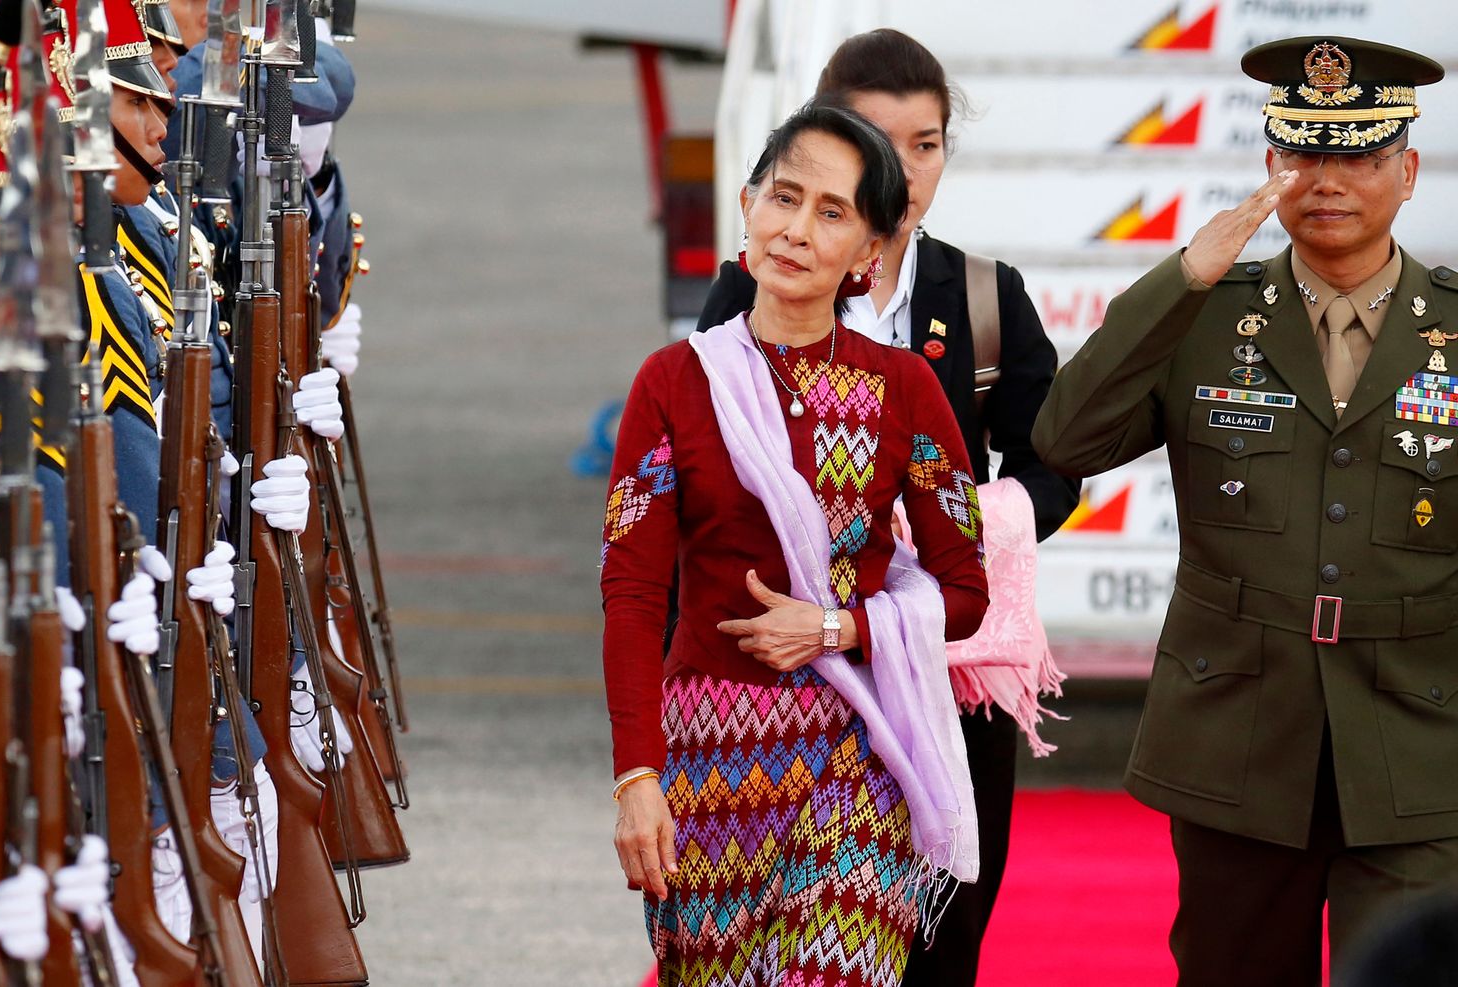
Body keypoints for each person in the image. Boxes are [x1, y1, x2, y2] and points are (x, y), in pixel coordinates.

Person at [1032, 36, 1454, 985]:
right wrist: (1182, 277)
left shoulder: (1456, 332)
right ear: (1270, 165)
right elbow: (1064, 438)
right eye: (1303, 152)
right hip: (1238, 735)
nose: (1327, 178)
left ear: (1408, 169)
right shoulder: (1206, 316)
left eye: (1358, 154)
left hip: (1422, 738)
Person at [696, 30, 1079, 984]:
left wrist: (963, 527)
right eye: (874, 139)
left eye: (927, 143)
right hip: (792, 665)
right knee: (793, 938)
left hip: (948, 663)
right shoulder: (750, 291)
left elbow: (1053, 463)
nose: (902, 170)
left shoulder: (986, 295)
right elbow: (708, 472)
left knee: (948, 930)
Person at [603, 101, 989, 987]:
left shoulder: (907, 391)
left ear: (869, 251)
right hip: (709, 762)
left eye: (832, 212)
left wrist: (836, 628)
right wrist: (636, 777)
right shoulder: (675, 384)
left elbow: (966, 590)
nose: (796, 230)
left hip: (862, 751)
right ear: (746, 203)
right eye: (784, 197)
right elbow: (630, 594)